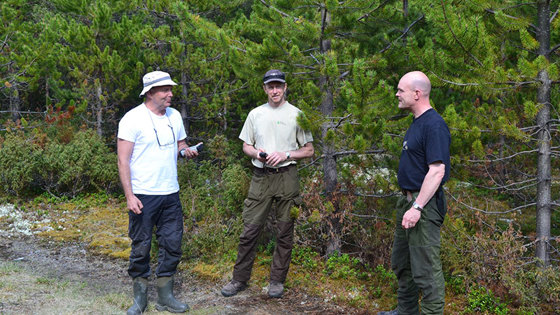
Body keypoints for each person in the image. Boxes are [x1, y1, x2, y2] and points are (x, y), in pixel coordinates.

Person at [221, 69, 314, 299]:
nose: (275, 90)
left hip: (287, 176)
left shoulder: (297, 114)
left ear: (285, 88)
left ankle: (276, 281)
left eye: (278, 86)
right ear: (264, 89)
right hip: (261, 176)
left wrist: (286, 154)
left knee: (285, 232)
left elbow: (309, 150)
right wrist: (258, 153)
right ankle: (239, 279)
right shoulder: (255, 114)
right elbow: (246, 146)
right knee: (249, 231)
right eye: (270, 86)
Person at [118, 70, 198, 315]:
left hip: (170, 193)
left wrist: (186, 152)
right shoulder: (132, 119)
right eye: (165, 90)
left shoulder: (174, 116)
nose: (170, 94)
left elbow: (180, 145)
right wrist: (130, 196)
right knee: (141, 245)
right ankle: (140, 301)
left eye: (171, 90)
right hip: (143, 194)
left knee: (172, 244)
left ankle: (165, 297)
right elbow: (123, 161)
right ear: (150, 92)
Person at [378, 71, 451, 315]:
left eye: (401, 89)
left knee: (426, 271)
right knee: (403, 264)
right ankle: (406, 311)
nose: (397, 94)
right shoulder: (417, 122)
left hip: (424, 206)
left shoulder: (434, 125)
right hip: (408, 202)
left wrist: (417, 208)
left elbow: (437, 171)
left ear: (417, 94)